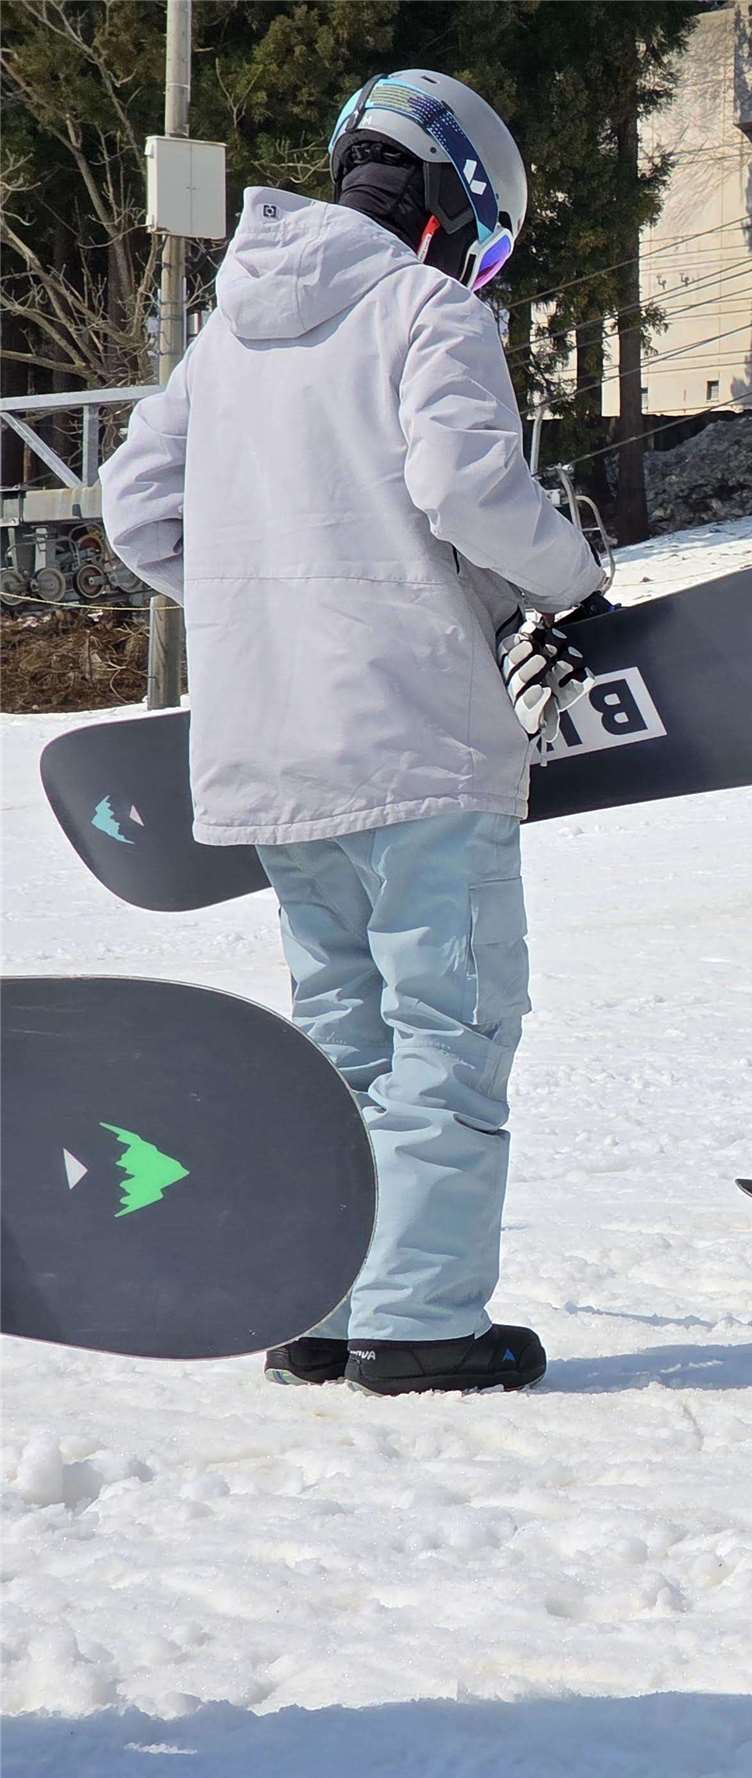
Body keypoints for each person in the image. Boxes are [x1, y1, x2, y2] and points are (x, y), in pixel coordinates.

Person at [101, 70, 611, 1395]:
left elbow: (136, 511)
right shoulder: (424, 312)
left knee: (342, 1035)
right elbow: (460, 487)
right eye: (485, 243)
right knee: (449, 1030)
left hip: (271, 755)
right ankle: (422, 1323)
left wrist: (262, 610)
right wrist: (562, 578)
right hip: (418, 742)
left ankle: (325, 1306)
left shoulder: (226, 339)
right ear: (452, 203)